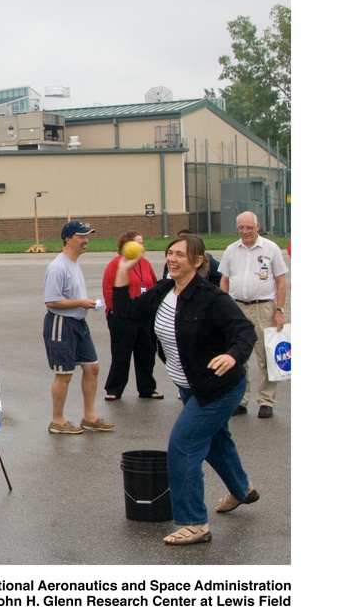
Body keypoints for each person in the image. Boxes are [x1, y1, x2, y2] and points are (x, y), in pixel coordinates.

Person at [113, 234, 258, 546]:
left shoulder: (211, 297)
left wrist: (233, 355)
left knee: (183, 445)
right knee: (217, 442)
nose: (172, 259)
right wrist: (124, 271)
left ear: (197, 261)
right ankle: (242, 490)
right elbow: (127, 314)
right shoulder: (165, 290)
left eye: (180, 254)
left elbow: (243, 330)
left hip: (219, 387)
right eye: (170, 253)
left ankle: (194, 523)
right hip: (189, 386)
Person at [42, 221, 114, 435]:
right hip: (61, 323)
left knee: (92, 367)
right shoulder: (58, 267)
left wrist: (85, 303)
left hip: (79, 323)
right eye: (81, 236)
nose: (86, 241)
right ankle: (58, 420)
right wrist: (81, 302)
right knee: (64, 374)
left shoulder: (74, 264)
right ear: (68, 239)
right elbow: (51, 301)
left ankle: (90, 417)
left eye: (86, 236)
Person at [218, 211, 289, 419]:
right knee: (238, 356)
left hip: (263, 308)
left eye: (249, 227)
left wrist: (279, 311)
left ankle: (266, 400)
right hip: (237, 307)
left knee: (265, 356)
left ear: (258, 227)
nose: (245, 231)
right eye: (241, 228)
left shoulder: (270, 248)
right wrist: (223, 308)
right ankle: (241, 399)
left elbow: (281, 281)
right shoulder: (232, 249)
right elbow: (225, 279)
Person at [101, 230, 162, 400]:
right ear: (128, 246)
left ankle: (147, 388)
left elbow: (153, 286)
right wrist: (119, 312)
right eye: (139, 243)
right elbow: (109, 291)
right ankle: (114, 389)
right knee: (121, 355)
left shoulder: (146, 263)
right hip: (123, 318)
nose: (143, 247)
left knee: (147, 354)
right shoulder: (116, 264)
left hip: (145, 317)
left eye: (142, 243)